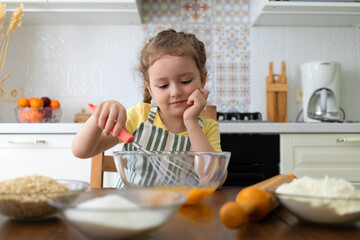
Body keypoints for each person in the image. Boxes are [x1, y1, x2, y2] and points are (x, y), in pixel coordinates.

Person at [72, 29, 225, 187]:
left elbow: (215, 180)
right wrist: (100, 116)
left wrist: (191, 122)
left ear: (203, 79)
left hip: (183, 209)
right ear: (150, 89)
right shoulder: (139, 116)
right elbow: (81, 151)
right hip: (134, 207)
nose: (175, 92)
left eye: (185, 81)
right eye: (163, 85)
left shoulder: (207, 127)